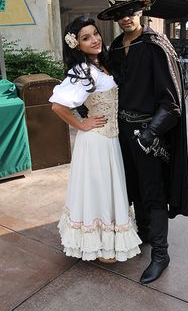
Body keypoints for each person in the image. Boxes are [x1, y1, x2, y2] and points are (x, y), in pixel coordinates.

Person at [97, 0, 188, 283]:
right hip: (121, 131)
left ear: (141, 10)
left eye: (131, 10)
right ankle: (143, 233)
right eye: (120, 13)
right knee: (134, 188)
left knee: (154, 192)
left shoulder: (156, 45)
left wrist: (149, 134)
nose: (126, 17)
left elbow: (172, 104)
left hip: (148, 132)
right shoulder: (116, 47)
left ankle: (160, 253)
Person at [49, 16, 142, 263]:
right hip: (96, 141)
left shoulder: (103, 64)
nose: (94, 40)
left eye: (95, 34)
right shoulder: (83, 72)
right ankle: (98, 245)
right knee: (98, 190)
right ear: (76, 45)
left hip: (110, 141)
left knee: (107, 189)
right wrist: (81, 123)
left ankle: (106, 241)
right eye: (85, 38)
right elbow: (57, 106)